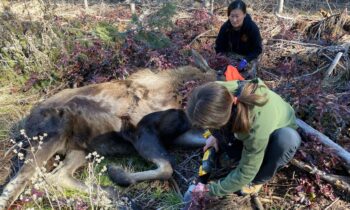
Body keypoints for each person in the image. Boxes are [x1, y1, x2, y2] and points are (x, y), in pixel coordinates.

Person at [183, 78, 301, 206]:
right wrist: (214, 135)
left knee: (286, 140)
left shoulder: (257, 122)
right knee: (231, 151)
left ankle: (257, 182)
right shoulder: (213, 91)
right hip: (240, 123)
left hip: (273, 135)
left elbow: (247, 170)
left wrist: (212, 191)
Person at [215, 0, 262, 73]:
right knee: (221, 71)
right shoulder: (225, 27)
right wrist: (223, 58)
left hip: (248, 57)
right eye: (232, 16)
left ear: (244, 15)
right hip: (231, 55)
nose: (234, 20)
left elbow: (258, 49)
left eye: (237, 16)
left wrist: (245, 60)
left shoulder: (252, 28)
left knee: (247, 74)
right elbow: (219, 46)